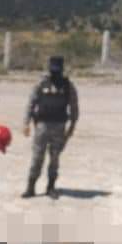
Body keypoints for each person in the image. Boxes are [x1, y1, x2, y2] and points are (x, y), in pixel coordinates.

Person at [22, 55, 79, 199]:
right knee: (37, 158)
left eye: (57, 70)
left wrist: (72, 126)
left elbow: (74, 106)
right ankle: (31, 187)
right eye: (53, 70)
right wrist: (26, 122)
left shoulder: (68, 86)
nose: (55, 73)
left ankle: (51, 187)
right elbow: (31, 103)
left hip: (59, 127)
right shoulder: (41, 84)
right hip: (42, 126)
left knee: (54, 158)